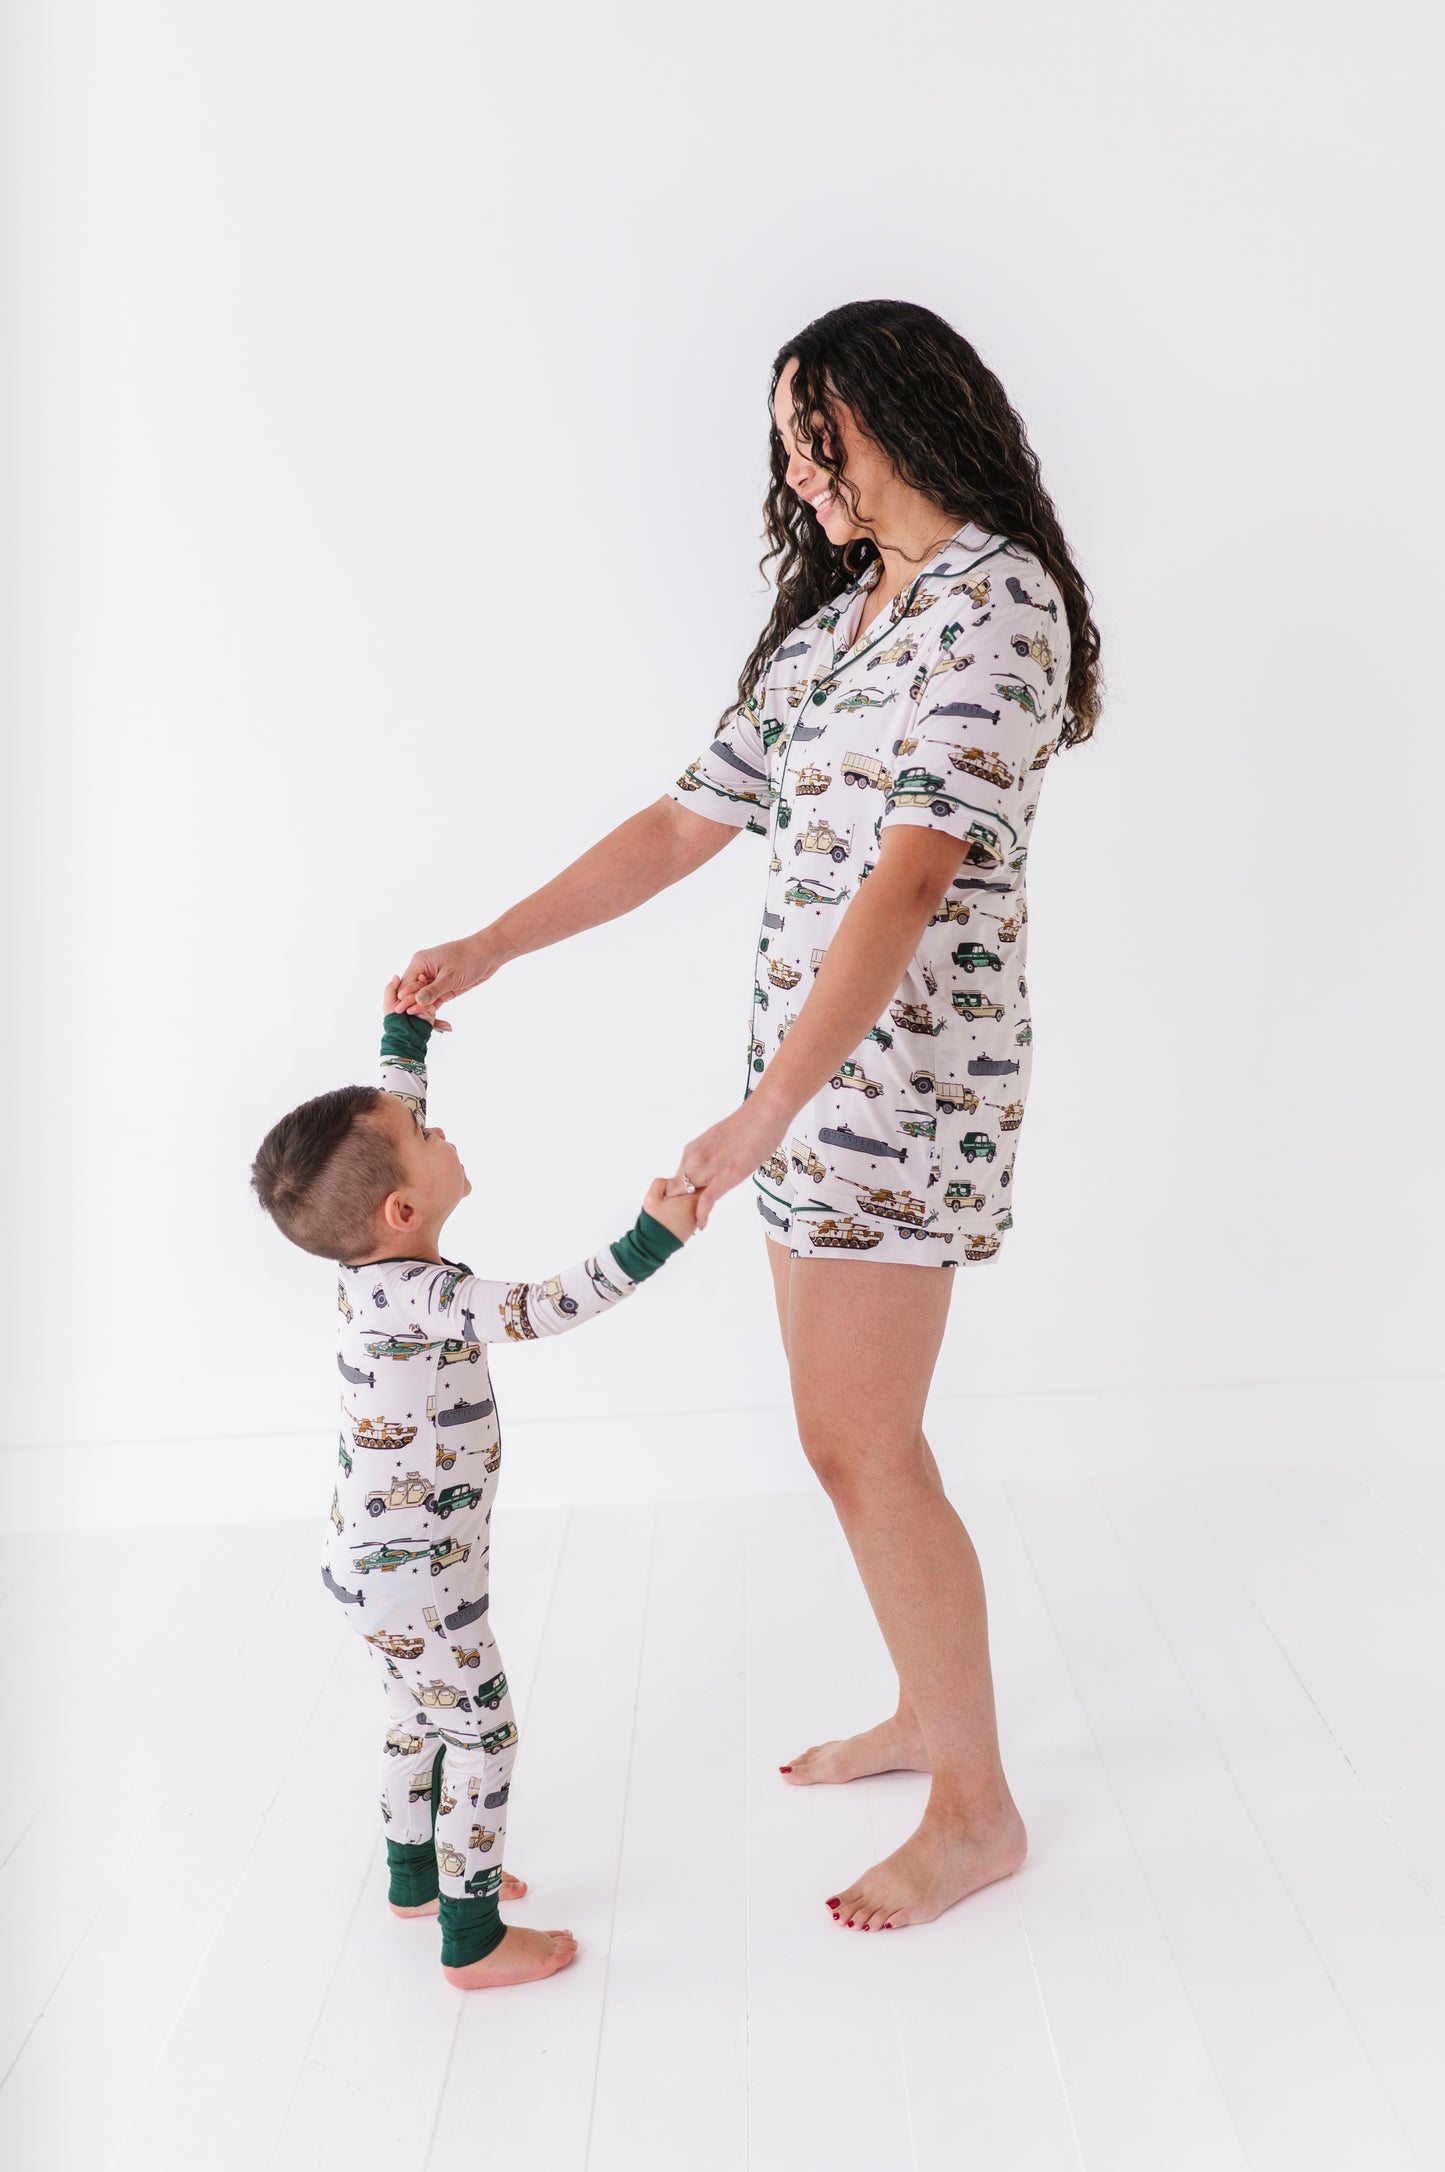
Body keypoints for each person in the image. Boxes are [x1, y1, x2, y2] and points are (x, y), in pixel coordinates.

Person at [392, 298, 1103, 1935]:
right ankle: (934, 1714)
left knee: (862, 1443)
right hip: (808, 1093)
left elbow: (917, 875)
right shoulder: (843, 622)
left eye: (814, 430)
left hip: (897, 1100)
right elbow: (679, 821)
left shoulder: (999, 605)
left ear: (893, 413)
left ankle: (978, 1808)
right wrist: (493, 943)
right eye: (787, 439)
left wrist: (760, 1116)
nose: (797, 466)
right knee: (850, 1440)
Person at [249, 978, 698, 1987]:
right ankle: (472, 1936)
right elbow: (540, 1310)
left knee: (419, 1716)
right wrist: (649, 1240)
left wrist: (402, 1034)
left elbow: (384, 1123)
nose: (436, 1128)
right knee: (482, 1733)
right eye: (423, 1132)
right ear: (403, 1207)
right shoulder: (427, 1293)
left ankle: (415, 1875)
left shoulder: (370, 1261)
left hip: (372, 1563)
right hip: (418, 1573)